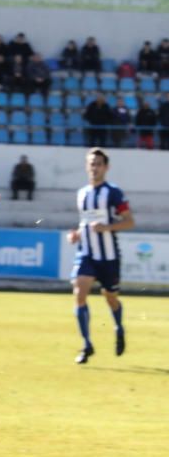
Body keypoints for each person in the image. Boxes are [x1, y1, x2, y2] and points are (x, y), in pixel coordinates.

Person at [67, 148, 134, 364]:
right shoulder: (82, 194)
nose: (94, 168)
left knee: (111, 298)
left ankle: (118, 327)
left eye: (98, 164)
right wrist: (77, 234)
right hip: (86, 254)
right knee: (79, 291)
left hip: (109, 257)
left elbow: (129, 221)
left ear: (106, 167)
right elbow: (86, 220)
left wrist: (106, 227)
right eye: (91, 164)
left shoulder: (113, 193)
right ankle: (87, 345)